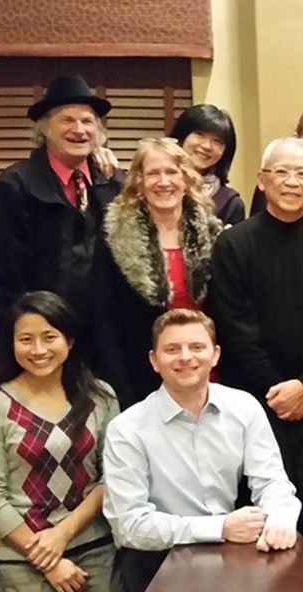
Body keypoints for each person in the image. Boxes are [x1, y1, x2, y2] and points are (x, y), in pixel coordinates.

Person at [206, 138, 303, 536]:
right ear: (261, 180)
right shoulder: (233, 244)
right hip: (251, 396)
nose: (292, 182)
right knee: (254, 502)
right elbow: (234, 327)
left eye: (302, 173)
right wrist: (278, 389)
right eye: (281, 172)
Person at [103, 310, 301, 592]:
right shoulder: (126, 429)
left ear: (215, 354)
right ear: (154, 361)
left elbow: (272, 482)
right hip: (157, 559)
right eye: (172, 349)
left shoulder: (243, 407)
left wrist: (282, 518)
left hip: (230, 551)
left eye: (197, 347)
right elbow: (128, 525)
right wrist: (219, 527)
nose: (185, 357)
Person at [0, 291, 119, 592]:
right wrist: (45, 558)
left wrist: (61, 534)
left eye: (49, 337)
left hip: (95, 550)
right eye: (26, 339)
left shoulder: (100, 397)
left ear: (69, 340)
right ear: (11, 345)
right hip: (22, 559)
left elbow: (113, 477)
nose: (38, 350)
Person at [0, 75, 123, 363]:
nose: (79, 130)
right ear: (45, 129)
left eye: (88, 121)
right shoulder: (16, 185)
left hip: (106, 342)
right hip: (42, 341)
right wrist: (20, 341)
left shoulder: (112, 183)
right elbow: (6, 277)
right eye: (67, 120)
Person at [92, 139, 223, 410]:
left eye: (172, 172)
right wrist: (122, 392)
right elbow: (105, 321)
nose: (164, 182)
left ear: (186, 179)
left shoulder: (212, 233)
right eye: (153, 173)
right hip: (141, 378)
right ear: (139, 182)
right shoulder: (114, 236)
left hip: (205, 372)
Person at [169, 104, 245, 226]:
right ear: (182, 136)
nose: (207, 146)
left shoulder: (230, 203)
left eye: (217, 141)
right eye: (200, 134)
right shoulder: (158, 186)